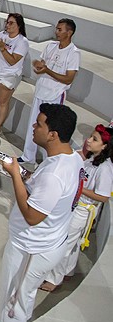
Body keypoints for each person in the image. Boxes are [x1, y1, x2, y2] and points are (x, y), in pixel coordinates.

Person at [0, 103, 84, 322]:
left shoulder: (54, 174)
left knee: (16, 301)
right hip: (46, 242)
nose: (33, 127)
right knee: (18, 295)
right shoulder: (71, 158)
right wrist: (25, 175)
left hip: (32, 247)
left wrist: (14, 175)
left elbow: (32, 216)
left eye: (39, 124)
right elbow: (47, 191)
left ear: (53, 134)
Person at [40, 124, 112, 292]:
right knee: (72, 243)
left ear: (105, 146)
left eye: (95, 139)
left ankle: (53, 280)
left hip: (82, 209)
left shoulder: (105, 169)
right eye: (91, 137)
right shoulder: (92, 158)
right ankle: (68, 271)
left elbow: (103, 196)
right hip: (77, 206)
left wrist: (79, 189)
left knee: (64, 244)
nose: (88, 140)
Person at [19, 18, 79, 165]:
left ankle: (49, 160)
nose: (56, 32)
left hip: (54, 95)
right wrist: (39, 66)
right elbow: (40, 67)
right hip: (41, 91)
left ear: (69, 32)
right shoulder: (50, 46)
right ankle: (28, 156)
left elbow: (68, 79)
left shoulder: (74, 53)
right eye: (57, 29)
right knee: (33, 124)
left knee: (50, 129)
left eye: (60, 29)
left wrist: (47, 70)